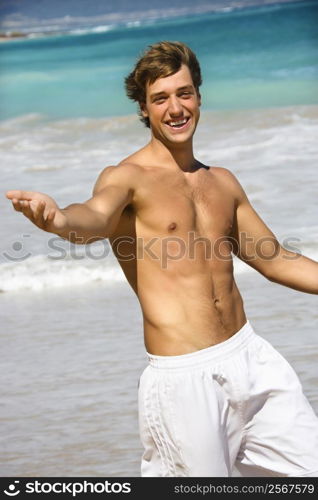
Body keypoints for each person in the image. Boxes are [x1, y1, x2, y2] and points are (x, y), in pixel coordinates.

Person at [6, 41, 318, 477]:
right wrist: (58, 219)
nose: (176, 108)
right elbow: (93, 217)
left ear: (199, 97)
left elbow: (275, 259)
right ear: (145, 108)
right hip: (184, 380)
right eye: (161, 98)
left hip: (252, 359)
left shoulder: (223, 182)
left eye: (184, 93)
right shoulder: (127, 179)